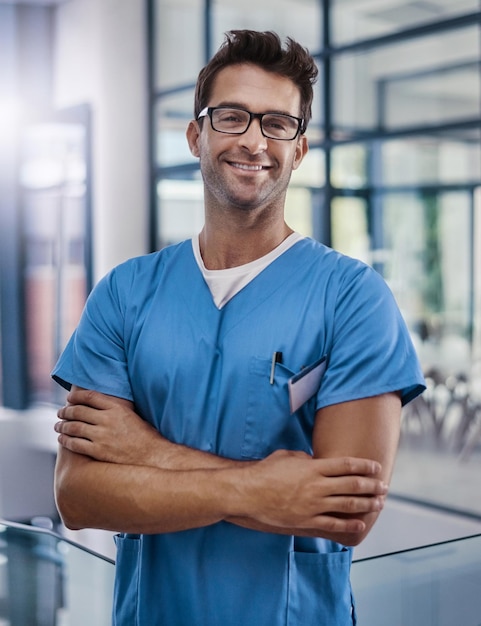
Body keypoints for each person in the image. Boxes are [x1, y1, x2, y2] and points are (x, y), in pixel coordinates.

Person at [52, 30, 425, 626]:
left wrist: (145, 454)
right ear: (197, 135)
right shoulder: (124, 293)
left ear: (299, 150)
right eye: (232, 117)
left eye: (278, 123)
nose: (254, 140)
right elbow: (77, 496)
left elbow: (345, 514)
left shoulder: (353, 298)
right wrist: (269, 488)